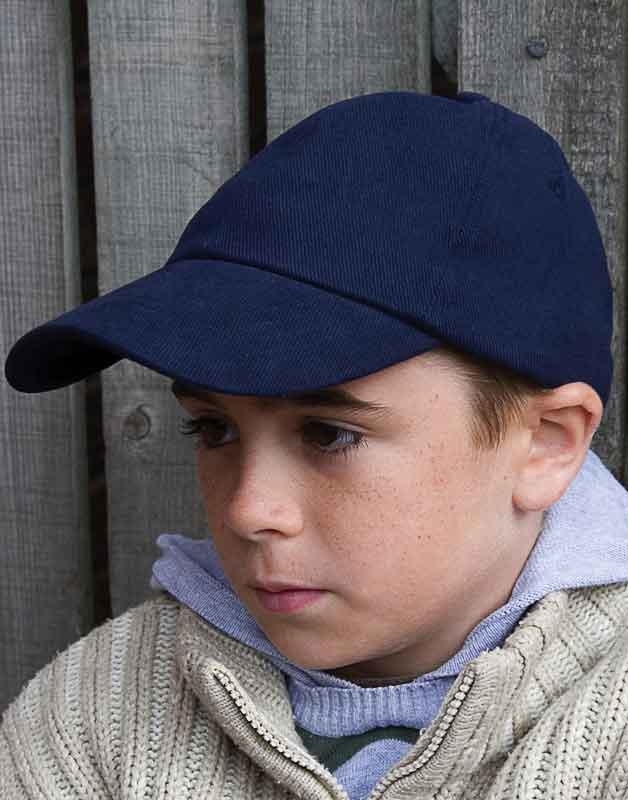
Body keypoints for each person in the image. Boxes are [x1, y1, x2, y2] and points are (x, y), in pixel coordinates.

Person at [2, 89, 627, 800]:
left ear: (545, 445)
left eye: (329, 433)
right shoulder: (94, 714)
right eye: (213, 428)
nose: (248, 511)